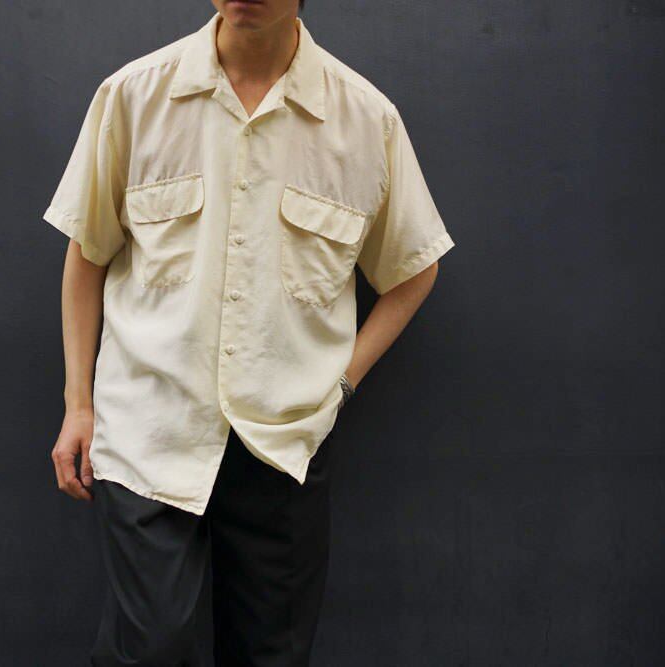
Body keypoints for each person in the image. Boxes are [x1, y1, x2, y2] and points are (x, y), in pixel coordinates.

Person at [42, 1, 456, 664]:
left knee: (272, 655)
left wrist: (341, 387)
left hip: (285, 441)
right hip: (150, 428)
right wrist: (78, 405)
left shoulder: (364, 120)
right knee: (149, 649)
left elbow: (413, 268)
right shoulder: (133, 96)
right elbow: (88, 253)